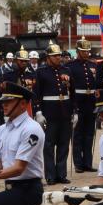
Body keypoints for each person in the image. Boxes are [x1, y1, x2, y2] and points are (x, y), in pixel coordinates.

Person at [33, 44, 73, 184]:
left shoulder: (66, 70)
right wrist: (38, 111)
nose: (58, 58)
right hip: (49, 113)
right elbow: (36, 93)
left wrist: (75, 112)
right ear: (48, 58)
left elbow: (71, 93)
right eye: (55, 56)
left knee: (63, 145)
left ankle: (61, 174)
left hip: (65, 112)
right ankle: (50, 175)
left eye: (59, 55)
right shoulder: (41, 72)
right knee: (49, 146)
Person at [68, 40, 100, 174]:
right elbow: (70, 89)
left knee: (89, 134)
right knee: (78, 135)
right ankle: (78, 164)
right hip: (78, 102)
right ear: (77, 51)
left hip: (91, 102)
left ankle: (88, 162)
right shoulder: (70, 66)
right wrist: (73, 108)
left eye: (87, 51)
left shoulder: (93, 65)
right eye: (83, 51)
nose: (86, 53)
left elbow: (96, 85)